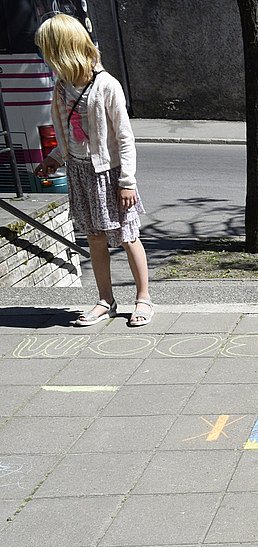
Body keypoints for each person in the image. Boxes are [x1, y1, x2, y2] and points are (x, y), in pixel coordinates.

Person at [33, 13, 153, 327]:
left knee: (128, 236)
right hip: (79, 173)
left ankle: (143, 299)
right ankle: (105, 300)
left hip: (110, 175)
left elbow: (124, 137)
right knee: (95, 238)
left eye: (48, 51)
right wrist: (55, 158)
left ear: (64, 50)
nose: (46, 58)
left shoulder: (106, 85)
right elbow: (70, 135)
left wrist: (127, 181)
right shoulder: (62, 89)